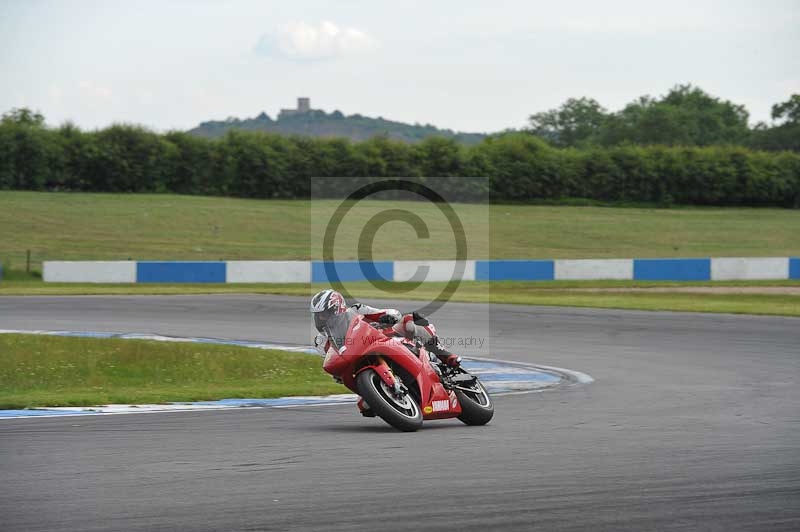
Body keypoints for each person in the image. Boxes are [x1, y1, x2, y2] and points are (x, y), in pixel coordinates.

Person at [310, 289, 462, 415]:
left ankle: (445, 356)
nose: (321, 319)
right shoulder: (320, 341)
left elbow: (388, 313)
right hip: (360, 361)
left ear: (338, 308)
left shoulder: (356, 310)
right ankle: (386, 397)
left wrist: (388, 316)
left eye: (324, 314)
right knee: (365, 406)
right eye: (318, 316)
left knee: (410, 321)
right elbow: (332, 358)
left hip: (387, 338)